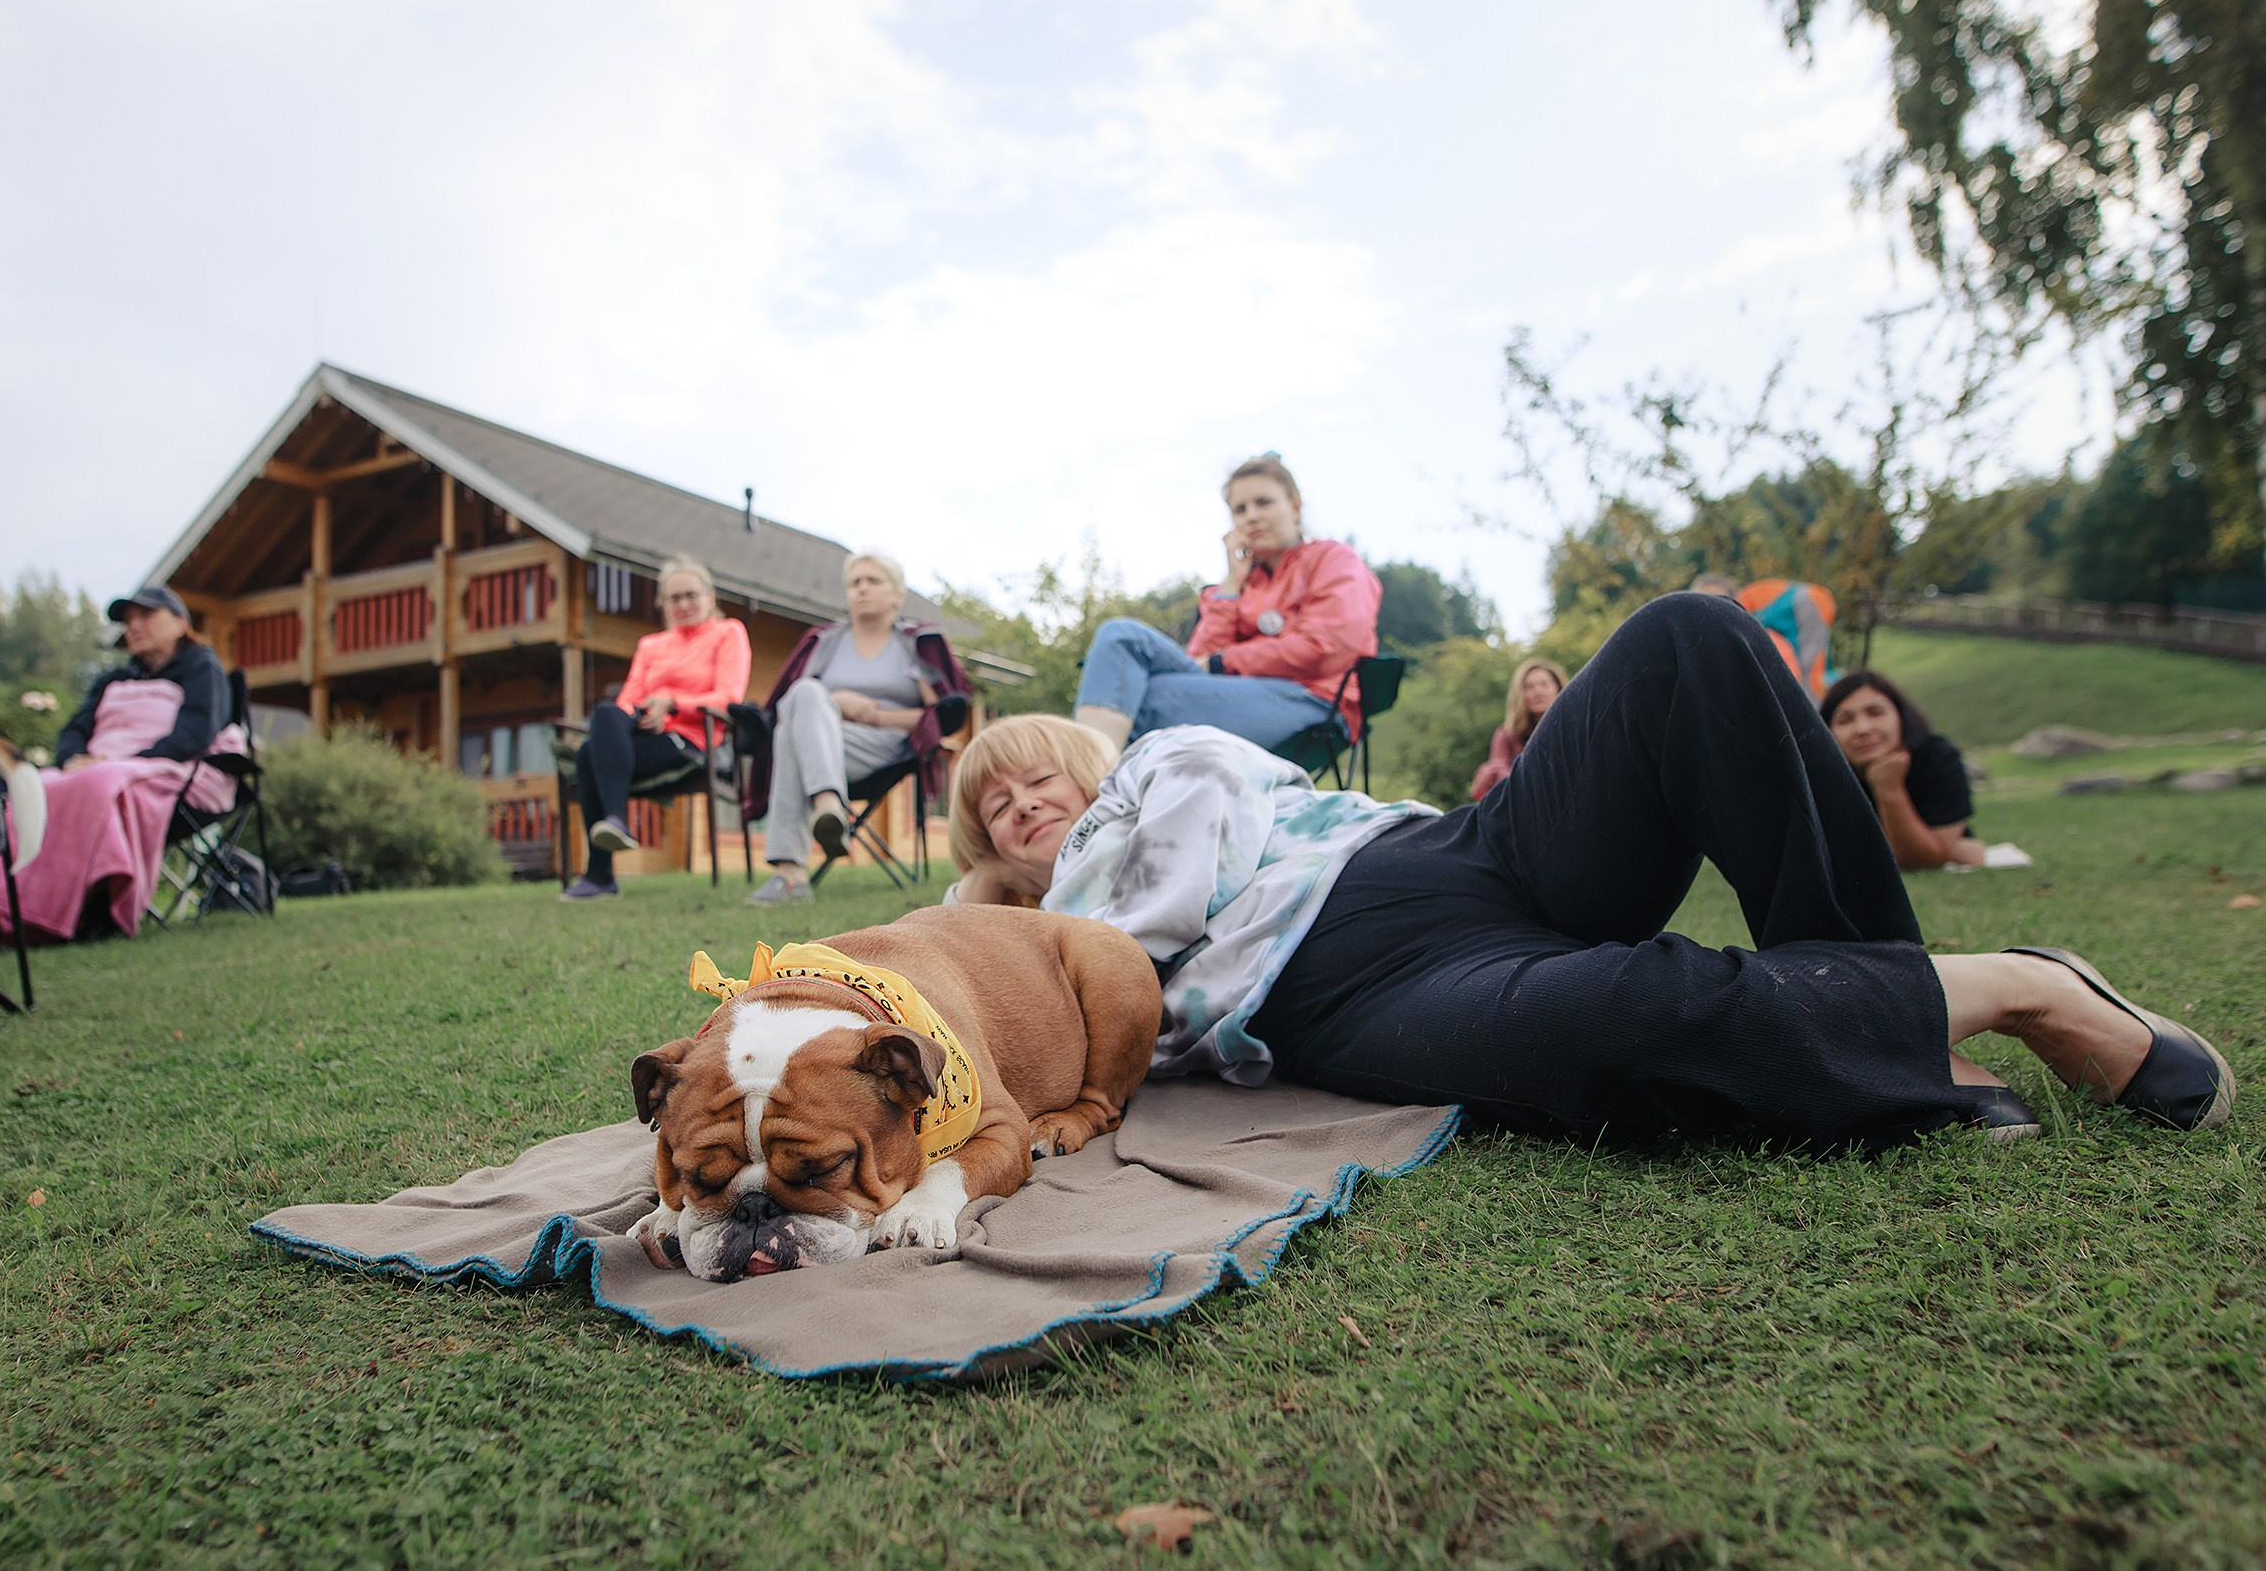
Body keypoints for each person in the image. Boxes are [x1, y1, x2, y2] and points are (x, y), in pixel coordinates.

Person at [946, 593, 2234, 1150]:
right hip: (1349, 995)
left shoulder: (1165, 767)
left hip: (1460, 851)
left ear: (1081, 752)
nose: (1019, 807)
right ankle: (2015, 989)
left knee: (1688, 638)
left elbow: (1148, 922)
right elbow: (1007, 1009)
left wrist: (1037, 912)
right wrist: (985, 915)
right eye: (990, 810)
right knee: (1607, 1025)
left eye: (1031, 775)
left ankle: (1883, 996)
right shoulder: (1032, 939)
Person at [0, 587, 237, 951]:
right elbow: (75, 730)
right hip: (97, 766)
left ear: (179, 622)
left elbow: (195, 733)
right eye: (129, 621)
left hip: (168, 770)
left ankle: (90, 910)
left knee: (99, 784)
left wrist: (127, 762)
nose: (134, 626)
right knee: (32, 788)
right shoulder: (111, 680)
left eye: (146, 616)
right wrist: (73, 759)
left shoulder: (202, 667)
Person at [1070, 454, 1379, 756]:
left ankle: (1089, 786)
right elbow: (1198, 661)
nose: (1251, 516)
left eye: (1264, 502)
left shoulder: (1334, 560)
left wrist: (1224, 661)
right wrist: (1232, 584)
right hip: (1237, 695)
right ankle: (1092, 780)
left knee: (1140, 697)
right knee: (1120, 635)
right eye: (1240, 509)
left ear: (1295, 507)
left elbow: (1325, 648)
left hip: (1316, 699)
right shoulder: (1238, 585)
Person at [741, 552, 972, 904]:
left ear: (897, 595)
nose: (862, 589)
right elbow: (790, 707)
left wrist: (874, 715)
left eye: (873, 581)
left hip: (887, 746)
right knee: (801, 700)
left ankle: (790, 873)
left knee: (790, 731)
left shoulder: (914, 644)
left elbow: (937, 717)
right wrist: (837, 702)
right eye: (855, 583)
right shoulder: (825, 643)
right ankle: (828, 801)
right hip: (825, 743)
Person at [563, 556, 750, 900]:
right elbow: (629, 698)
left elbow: (729, 697)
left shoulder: (729, 633)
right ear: (662, 603)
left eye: (691, 595)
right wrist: (646, 712)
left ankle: (601, 872)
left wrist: (672, 701)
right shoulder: (651, 645)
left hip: (691, 740)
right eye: (674, 598)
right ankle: (615, 824)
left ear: (710, 597)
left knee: (590, 754)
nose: (683, 604)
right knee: (604, 718)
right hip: (646, 733)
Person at [1820, 671, 1984, 871]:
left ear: (1901, 716)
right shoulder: (1820, 775)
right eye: (1845, 720)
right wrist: (1952, 851)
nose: (1862, 728)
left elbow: (1925, 861)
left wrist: (1889, 788)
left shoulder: (1937, 758)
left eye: (1875, 712)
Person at [1468, 657, 1566, 800]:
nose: (1538, 691)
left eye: (1544, 684)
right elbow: (1498, 767)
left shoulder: (1571, 728)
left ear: (1558, 688)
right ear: (1520, 694)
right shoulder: (1507, 733)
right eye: (1529, 686)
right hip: (1522, 800)